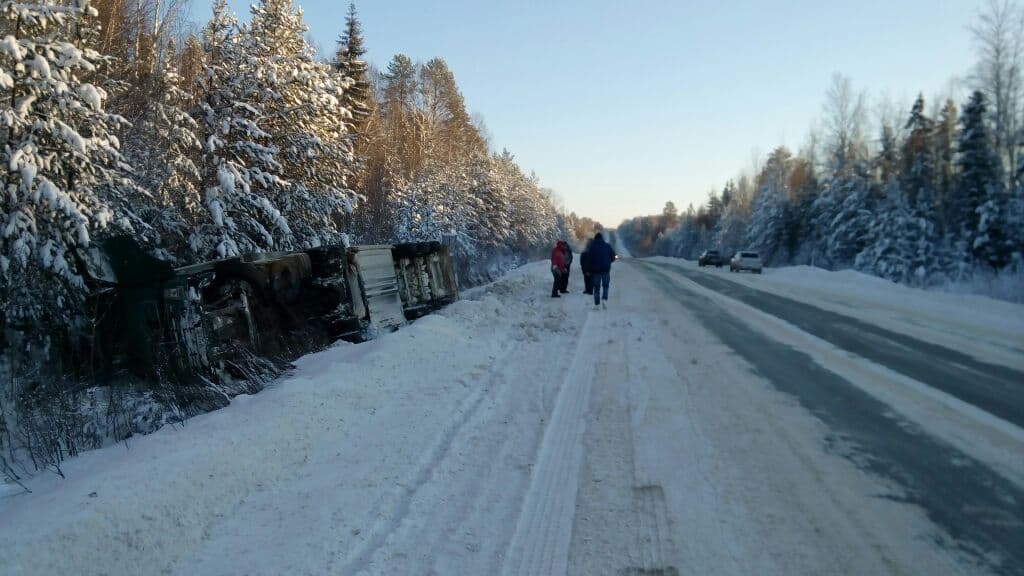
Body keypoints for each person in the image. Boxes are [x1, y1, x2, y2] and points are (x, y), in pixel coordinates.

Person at [587, 232, 616, 309]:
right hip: (606, 270)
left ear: (595, 239)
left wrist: (589, 270)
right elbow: (613, 257)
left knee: (596, 287)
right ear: (602, 238)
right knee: (605, 286)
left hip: (596, 271)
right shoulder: (607, 246)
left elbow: (589, 259)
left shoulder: (592, 247)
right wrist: (609, 262)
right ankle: (604, 300)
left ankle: (596, 304)